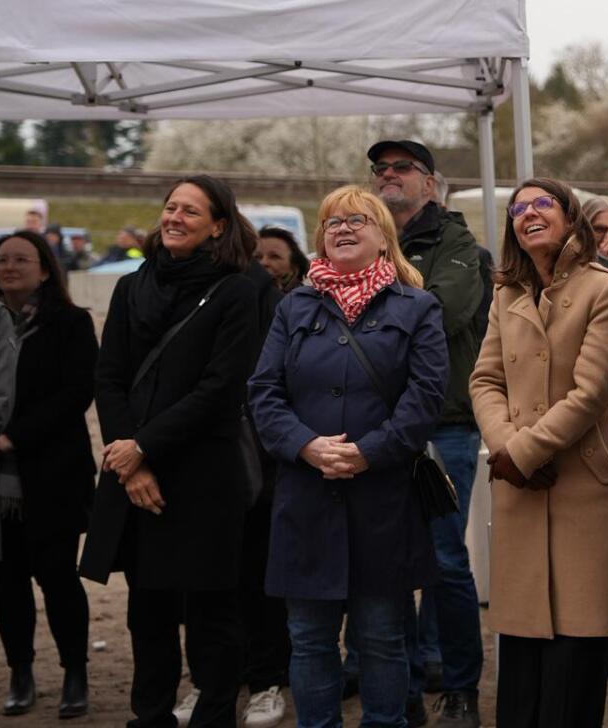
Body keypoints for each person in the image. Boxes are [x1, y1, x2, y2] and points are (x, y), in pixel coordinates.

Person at [248, 185, 447, 728]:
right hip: (306, 498)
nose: (342, 228)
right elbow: (263, 392)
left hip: (381, 499)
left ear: (384, 236)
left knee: (382, 638)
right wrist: (305, 446)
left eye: (358, 219)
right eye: (332, 221)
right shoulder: (295, 306)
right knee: (309, 640)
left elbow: (426, 396)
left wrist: (368, 453)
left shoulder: (418, 306)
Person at [79, 175, 264, 728]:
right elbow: (108, 379)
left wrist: (143, 447)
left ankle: (213, 716)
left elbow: (222, 387)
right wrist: (128, 459)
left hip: (205, 475)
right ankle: (151, 716)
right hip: (137, 474)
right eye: (169, 207)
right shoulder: (133, 286)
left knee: (212, 614)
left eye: (190, 210)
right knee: (148, 613)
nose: (174, 217)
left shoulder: (241, 290)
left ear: (219, 225)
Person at [469, 178, 608, 727]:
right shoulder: (506, 294)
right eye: (518, 208)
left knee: (574, 647)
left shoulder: (606, 289)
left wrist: (527, 453)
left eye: (543, 204)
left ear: (570, 215)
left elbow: (592, 391)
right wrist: (507, 449)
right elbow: (485, 382)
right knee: (520, 647)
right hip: (517, 479)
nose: (528, 213)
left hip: (583, 486)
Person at [369, 139, 490, 726]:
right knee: (387, 561)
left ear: (430, 183)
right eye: (380, 170)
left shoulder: (459, 245)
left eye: (402, 168)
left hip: (446, 426)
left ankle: (460, 685)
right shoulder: (365, 242)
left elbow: (441, 315)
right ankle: (405, 684)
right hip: (378, 428)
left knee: (445, 560)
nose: (389, 176)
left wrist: (371, 310)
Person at [0, 232, 97, 719]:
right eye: (1, 260)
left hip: (53, 472)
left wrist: (16, 437)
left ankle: (75, 674)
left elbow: (77, 392)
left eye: (21, 259)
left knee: (57, 577)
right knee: (7, 580)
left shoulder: (71, 323)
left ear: (46, 268)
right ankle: (21, 673)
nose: (9, 267)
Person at [256, 227, 310, 294]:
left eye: (274, 257)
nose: (263, 262)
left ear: (294, 266)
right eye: (257, 257)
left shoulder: (306, 300)